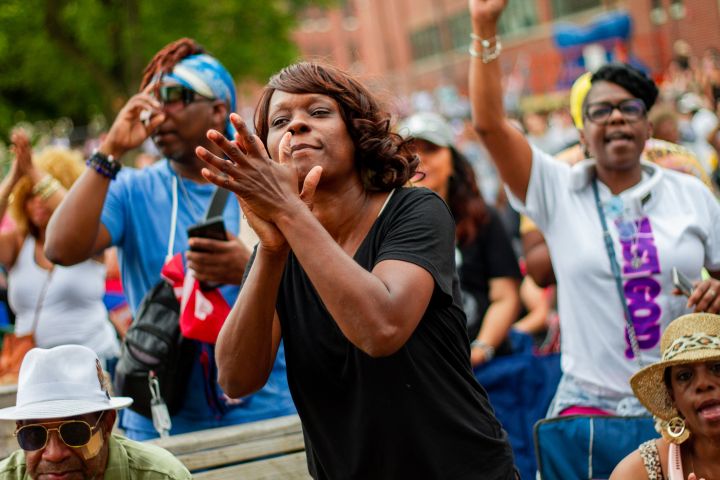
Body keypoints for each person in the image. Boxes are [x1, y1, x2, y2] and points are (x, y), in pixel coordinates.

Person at [197, 62, 517, 479]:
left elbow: (381, 328)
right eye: (280, 121)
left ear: (357, 131)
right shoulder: (278, 246)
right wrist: (273, 251)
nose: (296, 127)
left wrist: (290, 212)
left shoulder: (416, 210)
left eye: (318, 112)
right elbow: (237, 378)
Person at [468, 0, 720, 417]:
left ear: (648, 129)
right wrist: (484, 25)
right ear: (582, 133)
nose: (617, 117)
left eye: (630, 109)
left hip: (688, 409)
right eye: (601, 111)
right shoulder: (556, 189)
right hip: (593, 411)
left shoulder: (689, 192)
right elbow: (491, 126)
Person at [44, 38, 295, 439]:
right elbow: (60, 248)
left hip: (265, 414)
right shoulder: (131, 190)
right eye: (152, 101)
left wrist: (247, 268)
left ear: (217, 108)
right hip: (160, 424)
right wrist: (110, 149)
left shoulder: (269, 184)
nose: (158, 114)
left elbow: (314, 288)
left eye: (174, 98)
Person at [399, 112, 522, 366]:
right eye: (409, 151)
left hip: (482, 366)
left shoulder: (483, 218)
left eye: (431, 149)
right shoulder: (385, 225)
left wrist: (480, 350)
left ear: (453, 161)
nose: (420, 160)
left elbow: (505, 296)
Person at [0, 131, 119, 371]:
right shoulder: (17, 243)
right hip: (37, 372)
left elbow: (77, 212)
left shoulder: (88, 238)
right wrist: (15, 176)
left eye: (43, 193)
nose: (39, 202)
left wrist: (34, 172)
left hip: (94, 364)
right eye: (30, 196)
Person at [0, 344, 191, 479]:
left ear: (107, 424)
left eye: (74, 432)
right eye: (34, 435)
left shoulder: (161, 477)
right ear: (19, 430)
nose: (54, 454)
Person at [611, 312, 720, 480]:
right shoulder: (637, 473)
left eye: (717, 368)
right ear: (672, 396)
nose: (703, 384)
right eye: (685, 376)